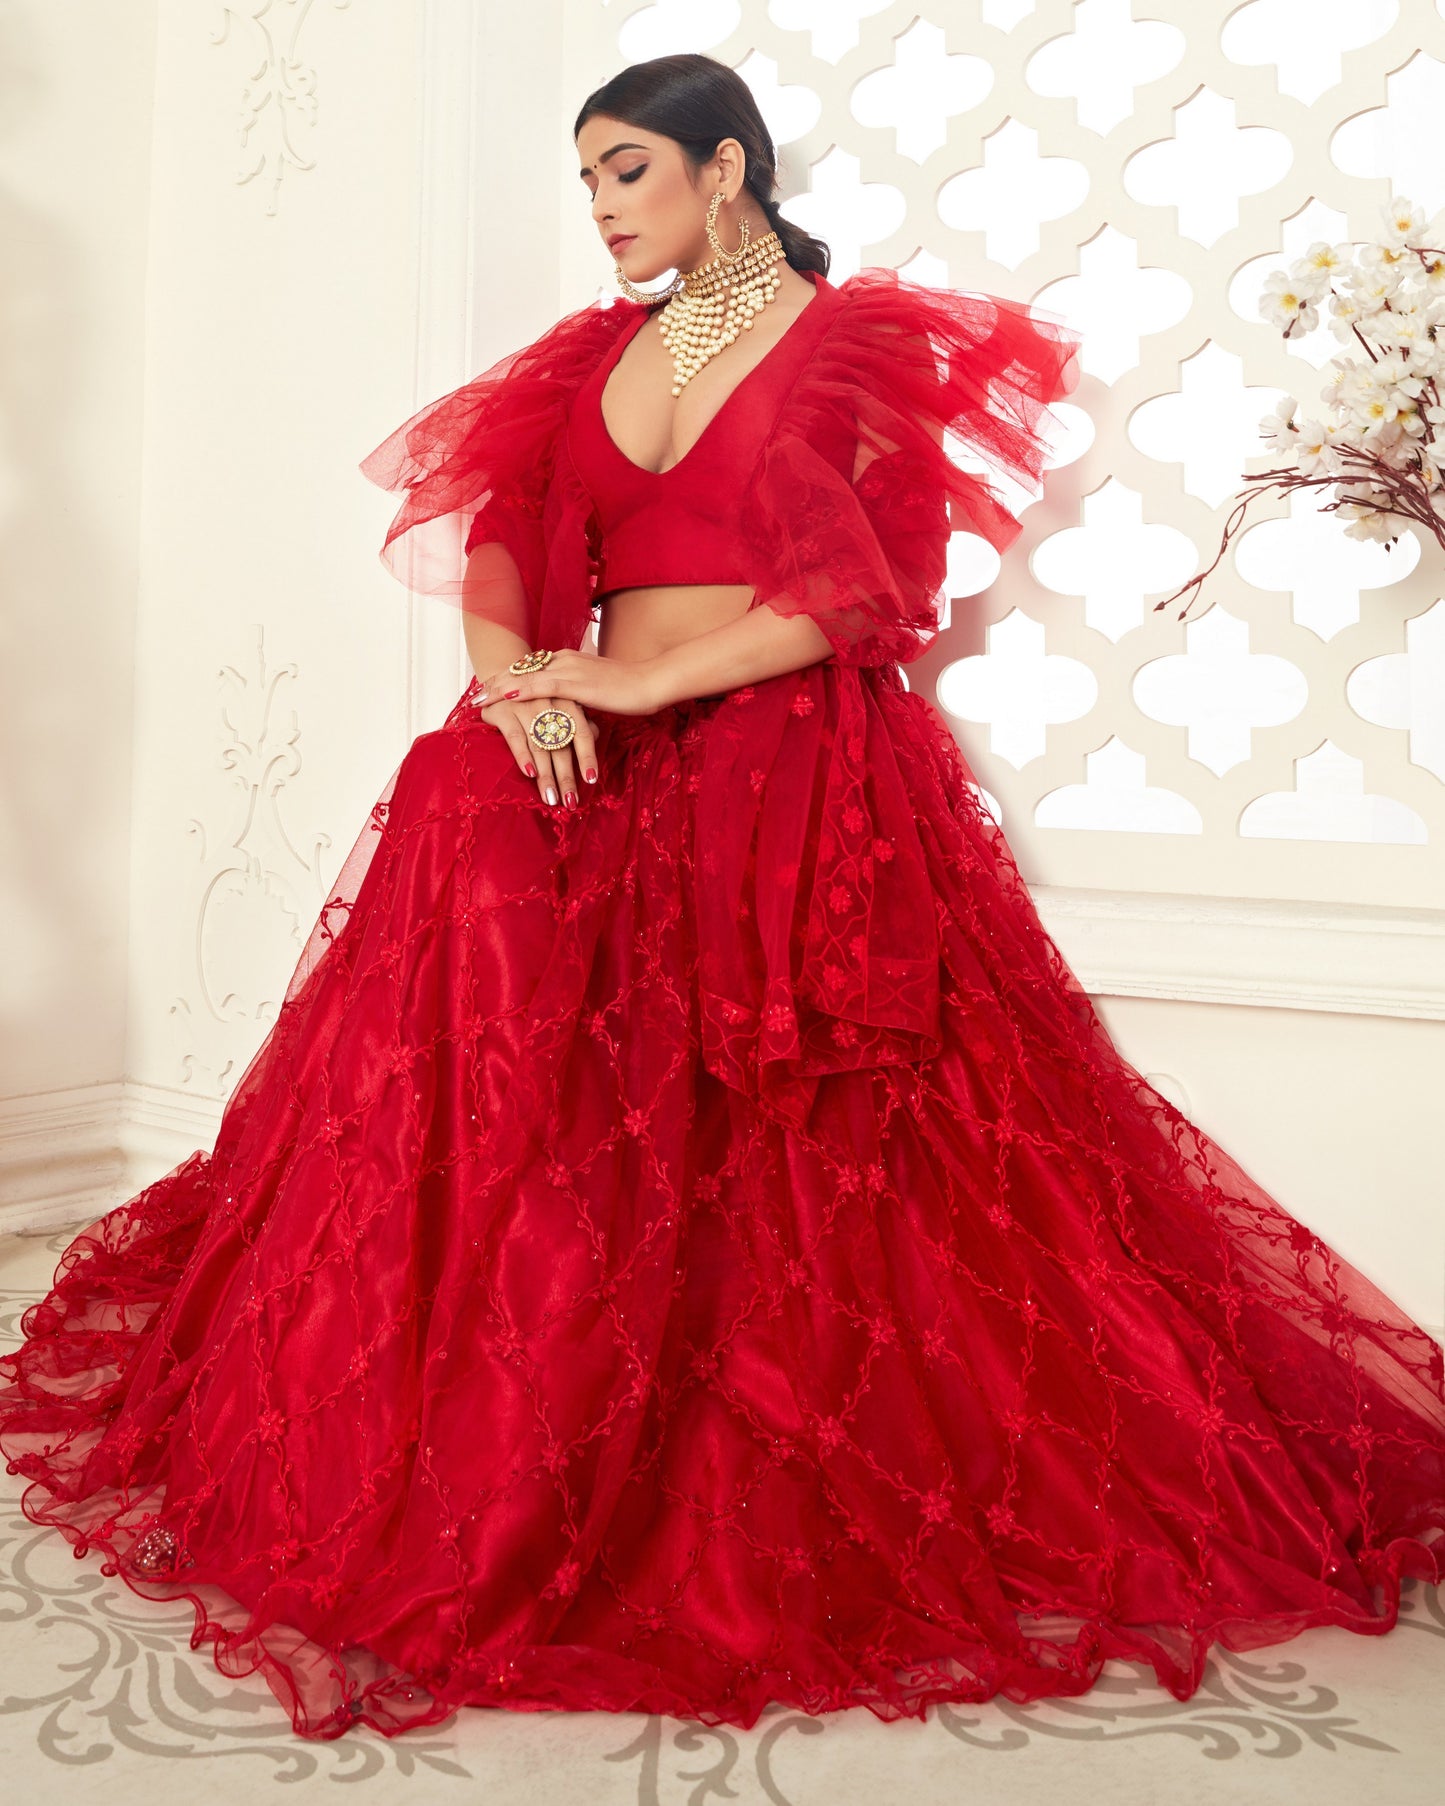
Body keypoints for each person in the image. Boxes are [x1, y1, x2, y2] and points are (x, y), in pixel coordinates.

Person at [1, 52, 1442, 1745]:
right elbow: (505, 548)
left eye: (628, 171)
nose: (604, 208)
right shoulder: (594, 357)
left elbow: (867, 591)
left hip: (780, 756)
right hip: (588, 755)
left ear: (728, 167)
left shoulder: (850, 340)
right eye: (587, 182)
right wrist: (529, 684)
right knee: (459, 799)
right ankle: (506, 1417)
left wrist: (635, 691)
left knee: (837, 1158)